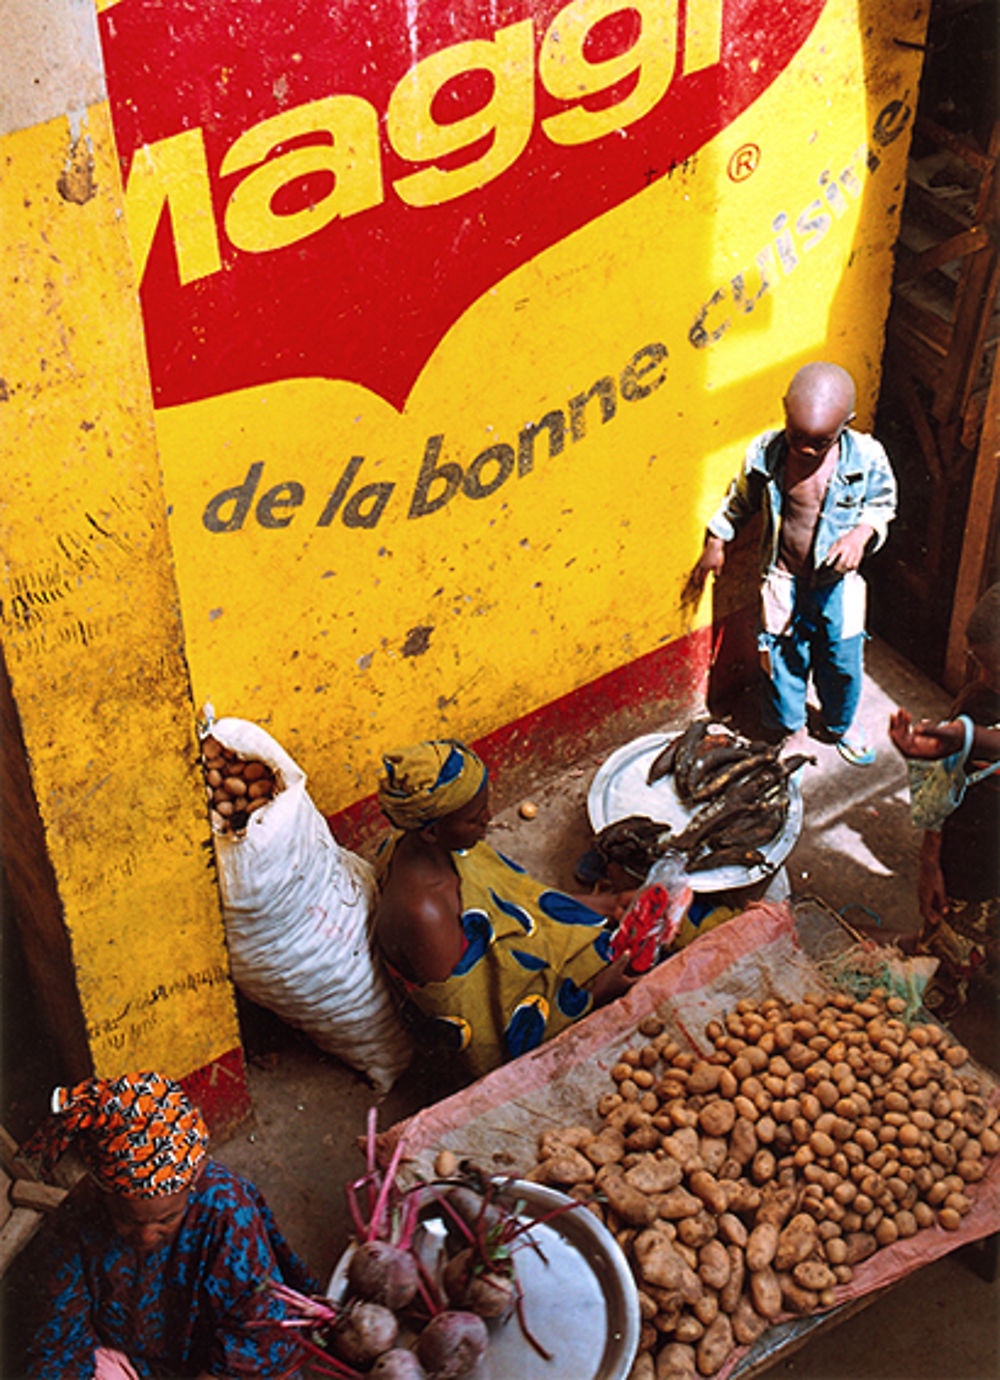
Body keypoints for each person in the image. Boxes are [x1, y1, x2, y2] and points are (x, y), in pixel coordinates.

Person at [18, 1070, 318, 1380]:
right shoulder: (79, 1216)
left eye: (167, 1219)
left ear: (194, 1180)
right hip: (134, 1361)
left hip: (217, 1365)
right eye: (127, 1220)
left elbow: (256, 1325)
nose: (147, 1235)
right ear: (103, 1193)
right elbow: (59, 1337)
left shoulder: (226, 1210)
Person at [373, 739, 640, 1077]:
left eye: (483, 808)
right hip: (513, 1018)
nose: (487, 819)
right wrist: (596, 991)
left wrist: (606, 904)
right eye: (473, 819)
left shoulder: (436, 846)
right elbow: (477, 1027)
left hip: (510, 955)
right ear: (431, 832)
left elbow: (517, 899)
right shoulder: (426, 916)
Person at [689, 361, 897, 766]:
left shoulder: (867, 457)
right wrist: (717, 540)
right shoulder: (767, 454)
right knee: (781, 661)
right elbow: (739, 501)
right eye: (797, 435)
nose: (805, 448)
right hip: (783, 579)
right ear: (785, 410)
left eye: (819, 443)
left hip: (839, 583)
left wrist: (861, 533)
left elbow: (883, 504)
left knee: (843, 660)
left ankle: (840, 724)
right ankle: (792, 729)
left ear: (846, 425)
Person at [888, 582, 1000, 1019]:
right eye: (983, 666)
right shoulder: (978, 701)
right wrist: (930, 862)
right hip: (973, 859)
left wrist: (966, 737)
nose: (989, 679)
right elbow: (945, 777)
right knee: (950, 952)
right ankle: (942, 998)